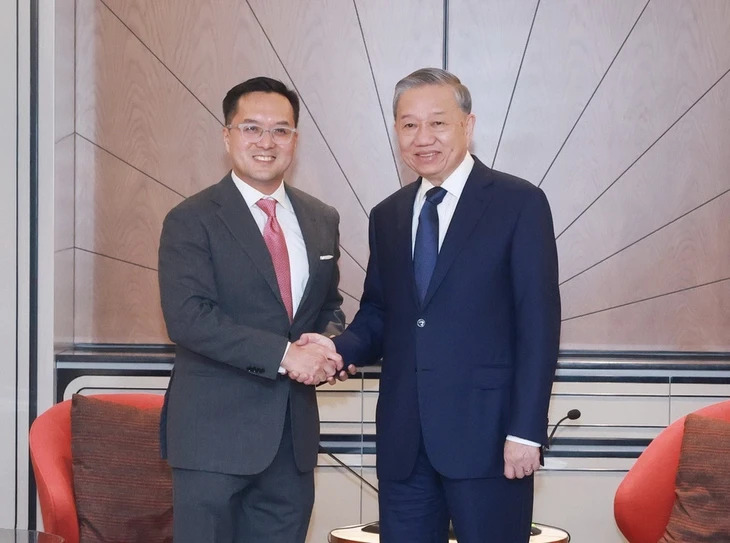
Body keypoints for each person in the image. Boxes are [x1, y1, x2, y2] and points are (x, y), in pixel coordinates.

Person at [325, 68, 561, 542]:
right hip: (404, 442)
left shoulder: (519, 203)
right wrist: (337, 350)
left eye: (438, 123)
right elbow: (379, 313)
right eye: (409, 125)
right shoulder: (388, 214)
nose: (422, 138)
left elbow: (539, 326)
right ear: (396, 132)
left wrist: (526, 432)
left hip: (490, 441)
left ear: (467, 126)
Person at [157, 76, 347, 543]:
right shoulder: (191, 218)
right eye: (251, 128)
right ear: (227, 136)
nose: (267, 142)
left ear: (295, 141)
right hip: (212, 442)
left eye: (281, 130)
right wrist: (286, 355)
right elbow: (188, 317)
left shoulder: (321, 218)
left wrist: (330, 343)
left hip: (292, 443)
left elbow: (329, 304)